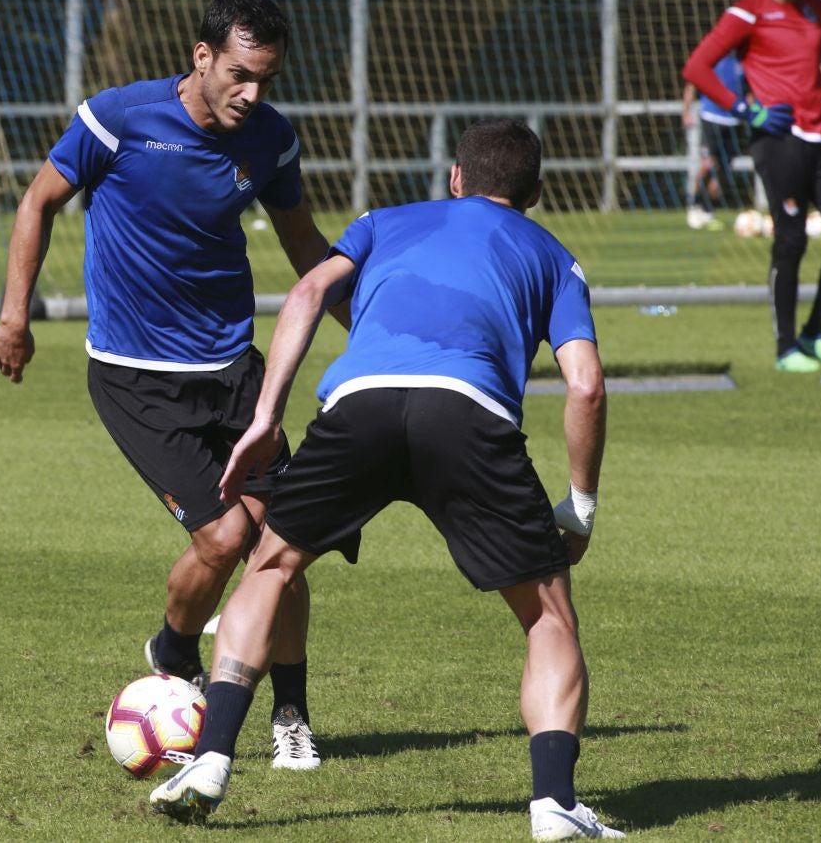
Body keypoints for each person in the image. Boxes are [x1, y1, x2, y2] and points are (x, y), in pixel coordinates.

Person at [150, 119, 622, 841]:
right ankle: (554, 803)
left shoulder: (382, 221)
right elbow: (585, 386)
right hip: (469, 420)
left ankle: (211, 758)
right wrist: (580, 506)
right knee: (548, 617)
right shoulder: (555, 256)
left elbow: (307, 292)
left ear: (455, 178)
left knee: (269, 567)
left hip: (358, 405)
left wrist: (268, 417)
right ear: (535, 192)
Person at [0, 0, 346, 769]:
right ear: (202, 57)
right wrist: (16, 318)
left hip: (234, 370)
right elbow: (39, 201)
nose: (252, 93)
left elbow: (305, 247)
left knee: (278, 545)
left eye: (267, 79)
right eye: (241, 74)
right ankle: (176, 655)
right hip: (136, 379)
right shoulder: (118, 119)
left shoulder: (272, 141)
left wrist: (377, 334)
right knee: (222, 536)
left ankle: (291, 712)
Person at [682, 0, 821, 373]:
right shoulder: (748, 11)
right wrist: (745, 109)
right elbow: (697, 68)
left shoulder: (815, 10)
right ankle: (786, 347)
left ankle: (815, 330)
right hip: (778, 139)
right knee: (792, 239)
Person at [682, 53, 747, 231]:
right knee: (708, 163)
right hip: (711, 119)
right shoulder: (713, 56)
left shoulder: (745, 60)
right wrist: (686, 111)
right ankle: (693, 205)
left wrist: (751, 112)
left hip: (734, 121)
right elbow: (692, 80)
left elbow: (751, 92)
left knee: (725, 170)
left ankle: (708, 211)